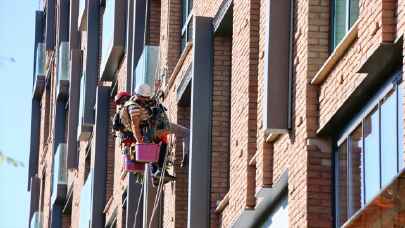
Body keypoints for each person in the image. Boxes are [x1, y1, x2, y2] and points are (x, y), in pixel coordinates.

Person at [127, 84, 175, 183]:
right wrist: (139, 141)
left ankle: (157, 174)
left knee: (160, 145)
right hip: (144, 131)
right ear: (139, 95)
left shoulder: (143, 100)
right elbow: (134, 126)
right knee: (155, 147)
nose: (146, 99)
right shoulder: (133, 107)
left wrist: (157, 88)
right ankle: (157, 172)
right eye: (144, 98)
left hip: (150, 127)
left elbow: (151, 102)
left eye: (147, 98)